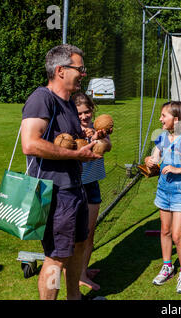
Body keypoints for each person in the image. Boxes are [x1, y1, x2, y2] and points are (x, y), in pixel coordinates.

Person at [21, 44, 101, 300]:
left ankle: (74, 297)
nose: (83, 73)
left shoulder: (66, 103)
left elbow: (76, 143)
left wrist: (92, 140)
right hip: (54, 194)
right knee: (55, 257)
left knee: (77, 249)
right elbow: (30, 144)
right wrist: (76, 155)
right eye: (80, 68)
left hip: (74, 189)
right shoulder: (41, 99)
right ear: (60, 70)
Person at [145, 101, 181, 294]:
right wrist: (150, 162)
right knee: (164, 230)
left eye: (164, 116)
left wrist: (178, 169)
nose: (161, 119)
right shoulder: (162, 138)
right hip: (163, 190)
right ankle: (167, 267)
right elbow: (154, 160)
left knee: (178, 234)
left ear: (176, 119)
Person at [72, 92, 111, 291]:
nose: (84, 116)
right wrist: (87, 139)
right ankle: (77, 275)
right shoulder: (71, 130)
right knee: (77, 235)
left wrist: (100, 137)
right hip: (77, 185)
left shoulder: (98, 127)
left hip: (93, 183)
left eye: (87, 112)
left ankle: (83, 272)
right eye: (79, 113)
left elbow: (108, 147)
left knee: (90, 234)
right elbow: (78, 156)